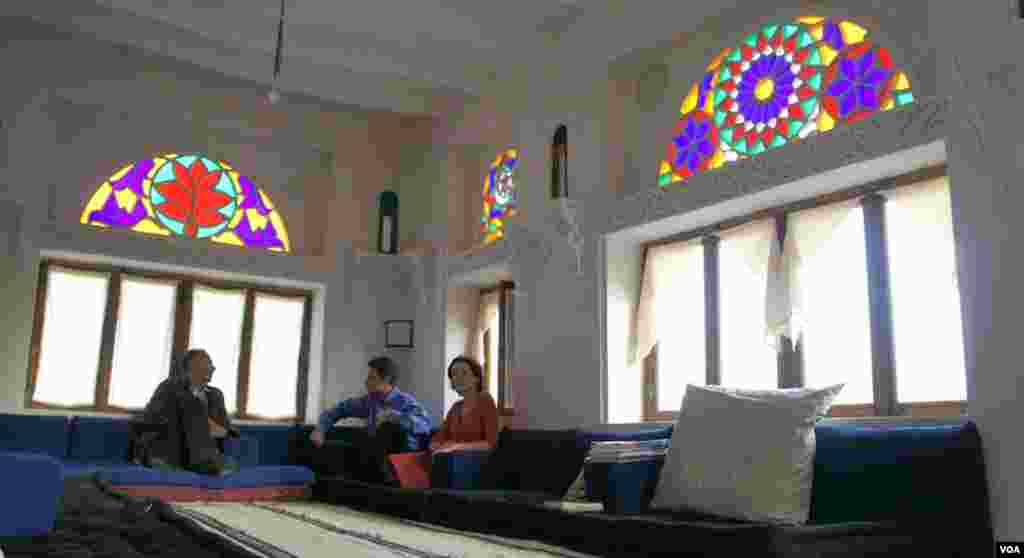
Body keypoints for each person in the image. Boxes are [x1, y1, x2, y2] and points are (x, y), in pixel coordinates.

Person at [300, 356, 433, 485]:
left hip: (399, 458)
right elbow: (338, 410)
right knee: (330, 449)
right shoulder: (369, 401)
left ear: (386, 379)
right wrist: (320, 429)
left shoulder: (406, 402)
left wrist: (397, 417)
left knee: (388, 428)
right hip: (372, 453)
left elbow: (426, 424)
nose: (366, 382)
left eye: (371, 378)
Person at [134, 348, 238, 475]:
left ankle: (207, 463)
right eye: (207, 364)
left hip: (204, 452)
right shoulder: (169, 388)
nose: (213, 368)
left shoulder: (216, 395)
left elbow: (226, 429)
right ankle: (203, 464)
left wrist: (220, 431)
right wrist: (204, 425)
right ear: (191, 367)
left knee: (229, 463)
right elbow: (151, 420)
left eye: (212, 364)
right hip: (169, 452)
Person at [430, 356, 499, 454]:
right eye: (454, 374)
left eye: (464, 373)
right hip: (453, 459)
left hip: (477, 461)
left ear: (476, 378)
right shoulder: (456, 407)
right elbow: (438, 439)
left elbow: (491, 443)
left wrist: (457, 446)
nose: (458, 378)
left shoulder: (485, 401)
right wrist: (437, 445)